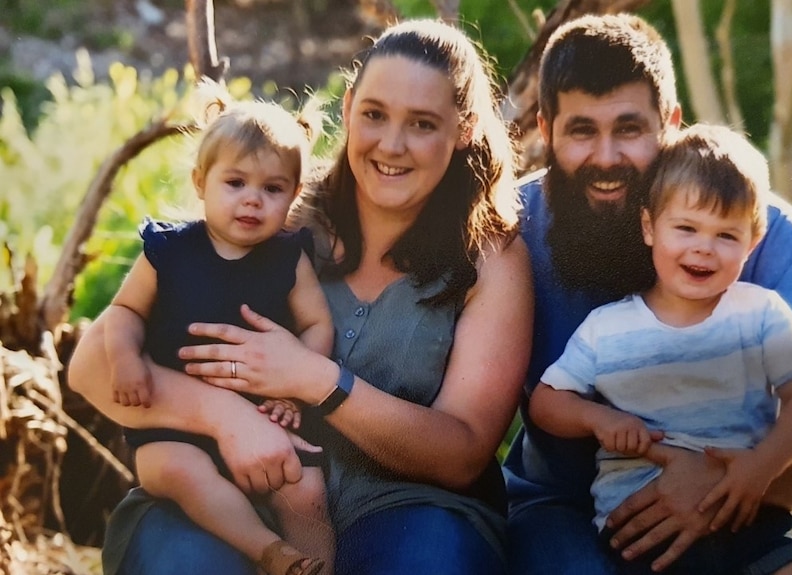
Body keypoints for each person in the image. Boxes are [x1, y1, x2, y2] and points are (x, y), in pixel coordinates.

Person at [68, 18, 533, 575]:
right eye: (374, 115)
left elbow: (462, 455)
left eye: (423, 124)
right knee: (182, 563)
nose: (392, 144)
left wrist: (312, 378)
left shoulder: (489, 255)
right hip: (230, 491)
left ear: (463, 129)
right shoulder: (275, 205)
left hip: (405, 507)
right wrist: (226, 419)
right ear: (349, 107)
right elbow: (90, 369)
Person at [502, 12, 792, 575]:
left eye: (629, 128)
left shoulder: (755, 232)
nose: (605, 157)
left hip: (745, 504)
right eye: (581, 130)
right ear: (544, 129)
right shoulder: (508, 234)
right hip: (561, 508)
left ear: (670, 122)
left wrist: (722, 486)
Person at [529, 123, 792, 574]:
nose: (704, 248)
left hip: (748, 509)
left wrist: (760, 468)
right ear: (650, 226)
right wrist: (601, 419)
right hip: (646, 523)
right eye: (687, 227)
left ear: (752, 243)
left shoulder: (760, 311)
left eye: (726, 236)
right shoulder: (609, 327)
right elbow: (546, 402)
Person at [101, 80, 334, 575]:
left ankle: (317, 566)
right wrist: (124, 358)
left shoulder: (289, 259)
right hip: (175, 429)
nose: (253, 201)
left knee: (306, 488)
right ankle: (271, 554)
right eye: (236, 184)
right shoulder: (169, 252)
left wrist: (295, 388)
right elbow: (124, 314)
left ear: (294, 195)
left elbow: (317, 325)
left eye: (272, 189)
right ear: (200, 182)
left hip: (265, 418)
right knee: (185, 473)